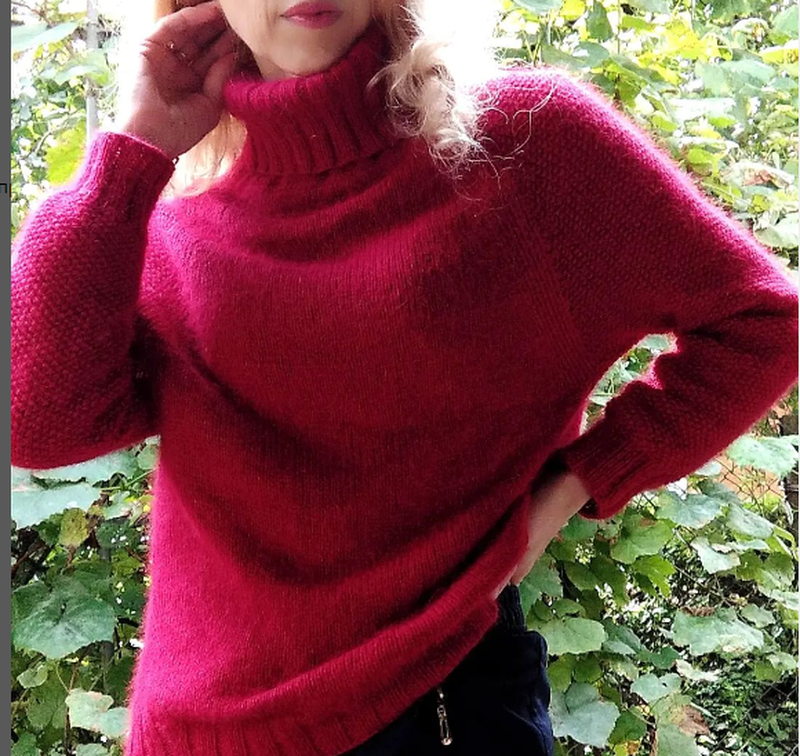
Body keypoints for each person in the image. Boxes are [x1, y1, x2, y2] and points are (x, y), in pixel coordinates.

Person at [10, 1, 798, 755]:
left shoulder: (522, 143)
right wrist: (130, 151)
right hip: (201, 733)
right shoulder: (167, 218)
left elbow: (764, 322)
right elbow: (35, 424)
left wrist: (574, 485)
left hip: (440, 706)